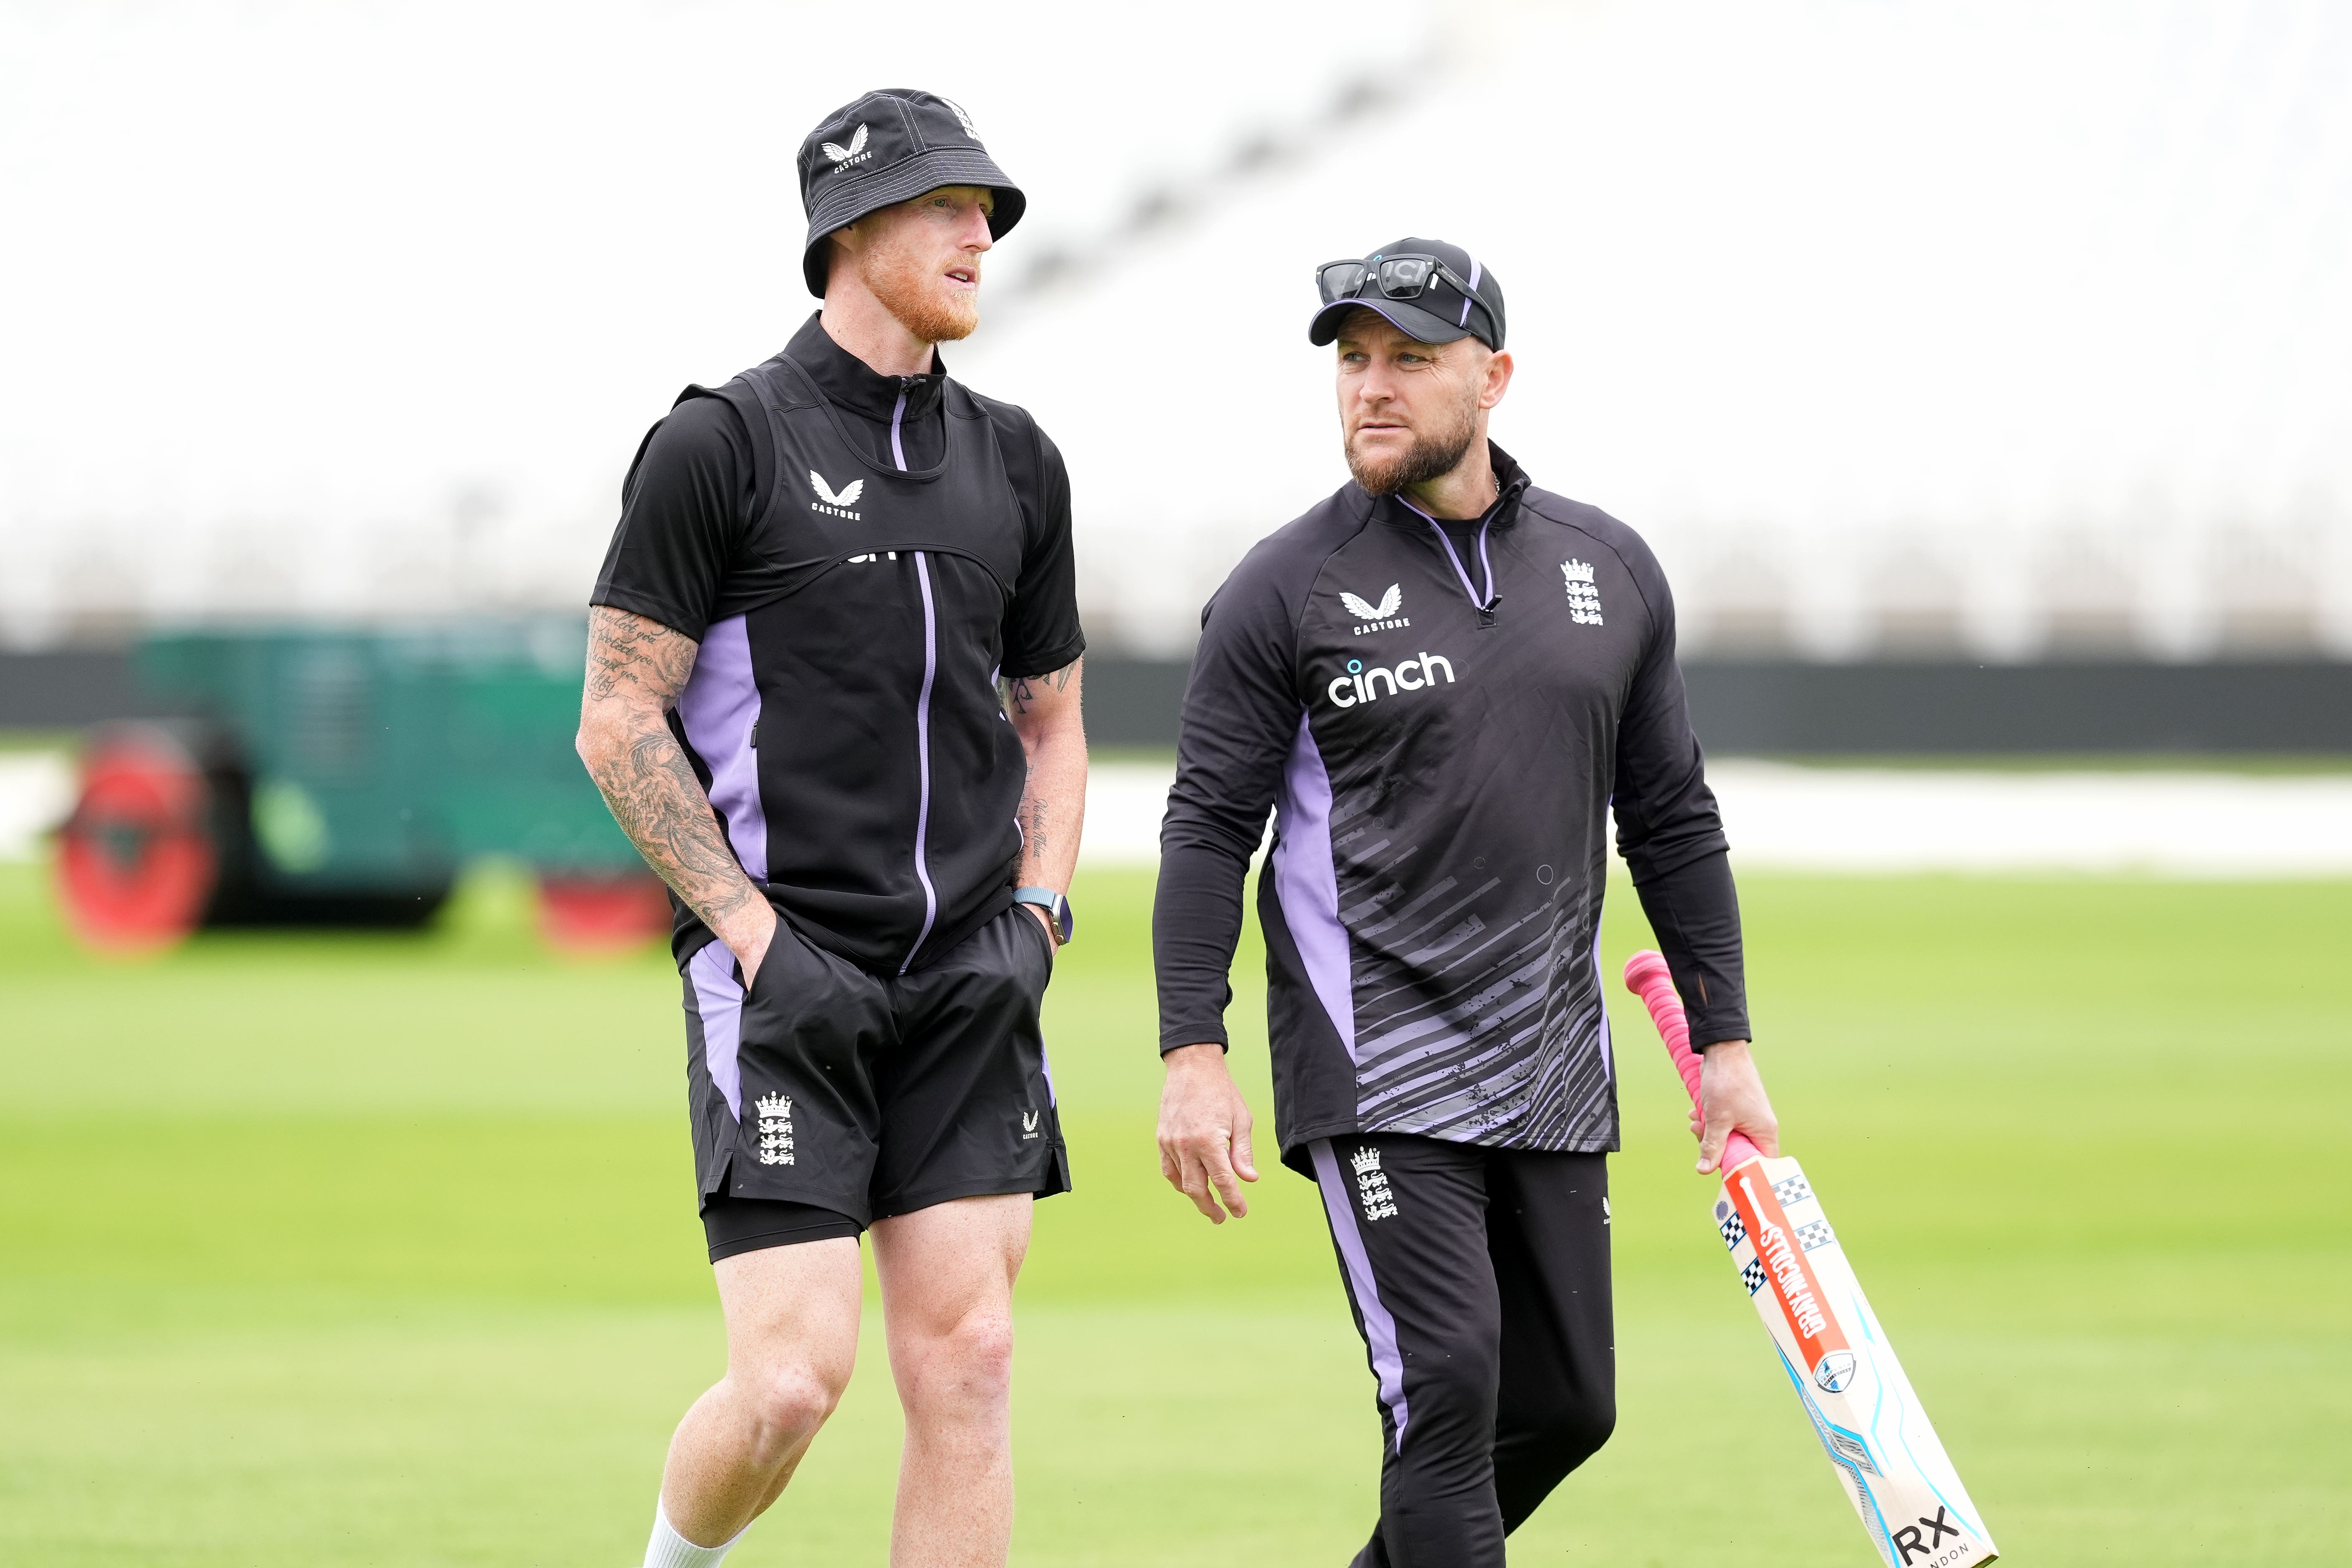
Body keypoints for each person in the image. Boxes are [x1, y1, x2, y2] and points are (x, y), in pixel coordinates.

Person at [1151, 238, 1779, 1567]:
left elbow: (1670, 819)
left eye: (1409, 360)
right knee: (1442, 1390)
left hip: (1551, 1062)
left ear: (1491, 379)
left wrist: (1725, 1046)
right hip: (1372, 1062)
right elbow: (1208, 827)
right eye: (1351, 360)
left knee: (1563, 1409)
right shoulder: (1282, 588)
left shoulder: (1607, 569)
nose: (1369, 388)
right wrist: (1191, 1053)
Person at [576, 89, 1086, 1568]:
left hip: (973, 979)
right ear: (848, 229)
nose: (978, 233)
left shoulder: (1020, 461)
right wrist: (750, 937)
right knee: (793, 1382)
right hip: (785, 980)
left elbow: (1048, 721)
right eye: (945, 206)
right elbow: (619, 716)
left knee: (971, 1367)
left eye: (987, 210)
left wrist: (1037, 919)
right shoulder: (719, 443)